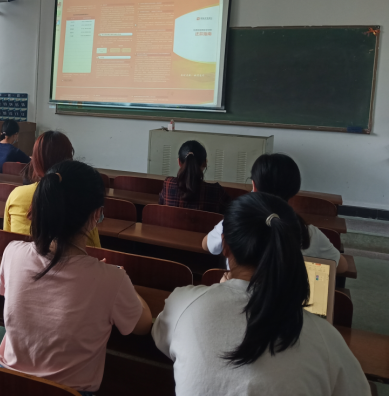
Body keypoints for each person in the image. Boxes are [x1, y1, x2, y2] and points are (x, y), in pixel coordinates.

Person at [153, 192, 369, 396]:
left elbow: (163, 339)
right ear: (292, 248)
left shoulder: (183, 304)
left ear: (225, 245)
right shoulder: (327, 340)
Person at [0, 160, 153, 395]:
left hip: (6, 382)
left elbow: (6, 292)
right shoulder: (112, 280)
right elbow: (144, 325)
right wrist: (119, 278)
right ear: (96, 214)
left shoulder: (12, 252)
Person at [202, 153, 348, 273]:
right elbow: (342, 266)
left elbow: (206, 245)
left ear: (254, 187)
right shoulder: (308, 234)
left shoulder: (234, 223)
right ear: (294, 190)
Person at [3, 131, 101, 247]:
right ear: (69, 160)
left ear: (35, 161)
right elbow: (95, 249)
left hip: (21, 258)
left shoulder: (16, 195)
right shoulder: (81, 197)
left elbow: (7, 239)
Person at [159, 140, 229, 214]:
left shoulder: (168, 184)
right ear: (205, 163)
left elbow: (160, 209)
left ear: (179, 162)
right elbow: (231, 213)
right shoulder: (216, 191)